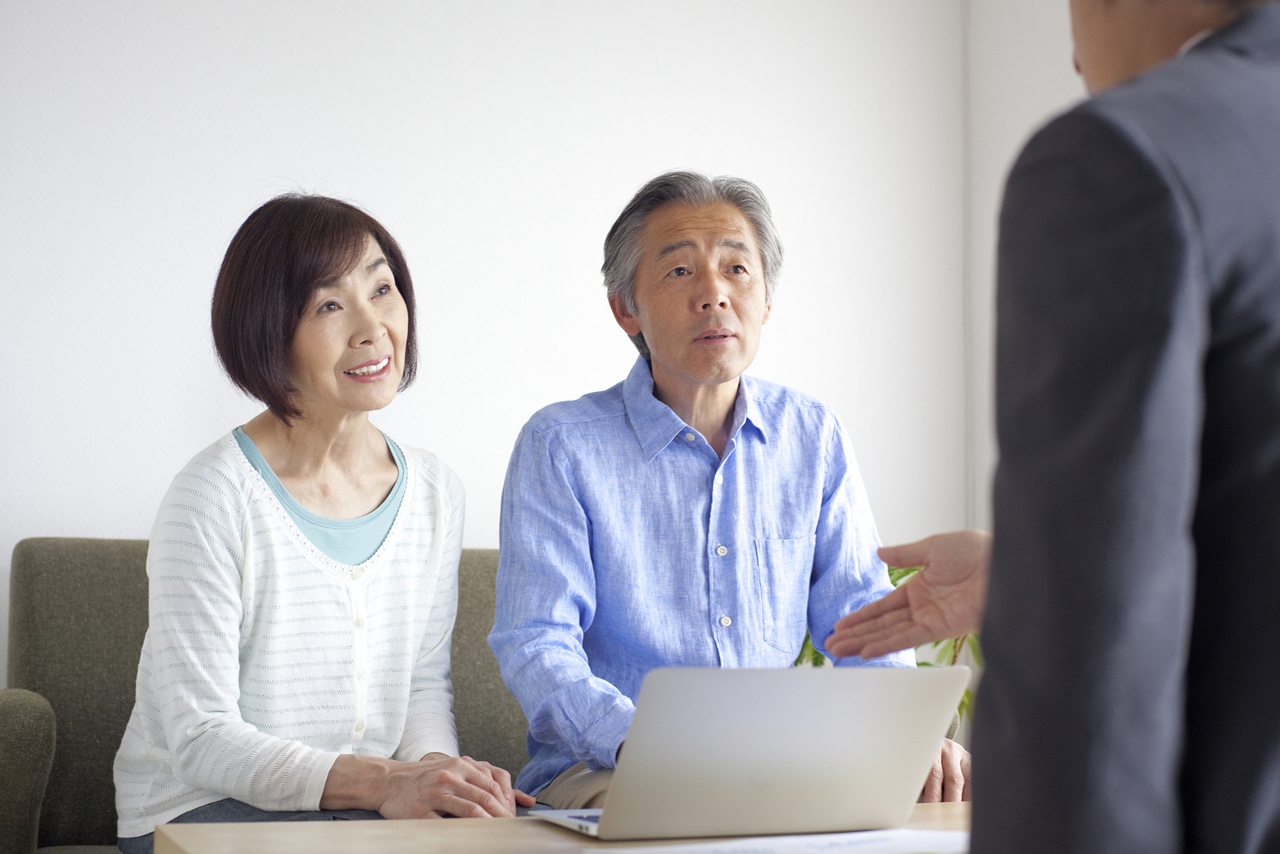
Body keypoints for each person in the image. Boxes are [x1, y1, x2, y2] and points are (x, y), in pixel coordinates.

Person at [834, 1, 1280, 851]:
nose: (1074, 55)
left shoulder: (1125, 157)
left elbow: (1088, 683)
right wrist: (1023, 565)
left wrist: (1054, 572)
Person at [488, 171, 970, 812]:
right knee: (694, 816)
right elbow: (536, 642)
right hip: (606, 767)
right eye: (680, 271)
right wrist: (645, 744)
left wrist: (905, 735)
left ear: (765, 300)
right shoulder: (561, 445)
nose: (714, 293)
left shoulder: (813, 435)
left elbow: (862, 618)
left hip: (778, 769)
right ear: (625, 308)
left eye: (737, 269)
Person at [113, 195, 532, 853]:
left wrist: (438, 777)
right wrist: (386, 784)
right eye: (329, 306)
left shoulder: (434, 493)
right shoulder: (212, 496)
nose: (372, 328)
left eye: (382, 289)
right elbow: (201, 739)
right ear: (266, 331)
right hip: (195, 812)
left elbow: (422, 690)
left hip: (359, 814)